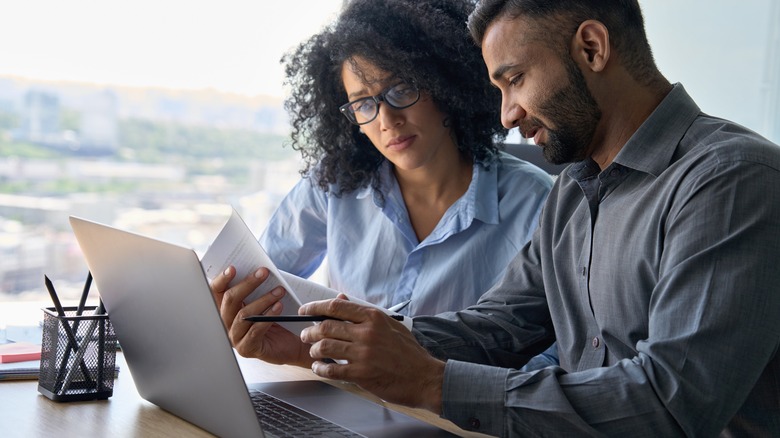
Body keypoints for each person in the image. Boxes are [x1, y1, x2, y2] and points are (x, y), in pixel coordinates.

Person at [213, 0, 780, 435]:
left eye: (514, 80)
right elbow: (497, 328)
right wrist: (332, 347)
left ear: (591, 47)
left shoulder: (732, 179)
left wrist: (433, 383)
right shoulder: (575, 192)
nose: (507, 115)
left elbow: (670, 404)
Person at [254, 0, 552, 318]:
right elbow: (260, 281)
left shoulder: (535, 202)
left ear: (445, 85)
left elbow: (552, 354)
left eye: (400, 89)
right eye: (363, 104)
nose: (386, 119)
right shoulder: (332, 184)